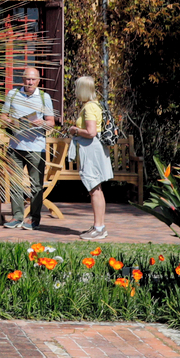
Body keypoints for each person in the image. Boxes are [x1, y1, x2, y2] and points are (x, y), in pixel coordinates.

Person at [0, 66, 54, 230]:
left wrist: (43, 123)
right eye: (27, 79)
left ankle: (34, 219)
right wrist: (10, 122)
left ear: (38, 81)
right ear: (22, 79)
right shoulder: (13, 94)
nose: (30, 82)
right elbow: (3, 116)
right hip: (15, 145)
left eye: (33, 79)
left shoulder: (45, 98)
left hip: (36, 147)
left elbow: (51, 122)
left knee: (36, 185)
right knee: (16, 183)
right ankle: (17, 217)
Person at [67, 75, 113, 239]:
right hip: (94, 149)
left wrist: (75, 130)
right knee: (96, 189)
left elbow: (91, 132)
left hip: (91, 150)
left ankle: (99, 228)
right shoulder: (95, 105)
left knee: (94, 189)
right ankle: (98, 226)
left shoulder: (89, 108)